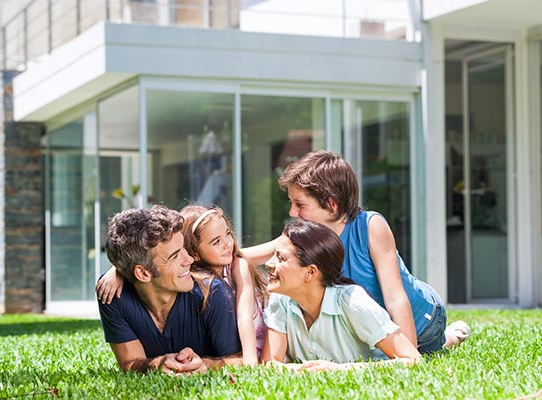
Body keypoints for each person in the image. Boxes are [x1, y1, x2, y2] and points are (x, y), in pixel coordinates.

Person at [244, 150, 470, 353]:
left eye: (300, 204)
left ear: (331, 204)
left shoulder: (370, 226)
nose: (293, 212)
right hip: (376, 326)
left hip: (423, 320)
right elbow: (253, 254)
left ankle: (449, 336)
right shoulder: (307, 237)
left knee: (424, 349)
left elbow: (395, 298)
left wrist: (408, 352)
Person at [97, 205, 269, 365]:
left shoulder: (213, 290)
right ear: (142, 273)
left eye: (184, 248)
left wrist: (206, 366)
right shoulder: (111, 293)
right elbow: (130, 363)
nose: (189, 260)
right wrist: (158, 364)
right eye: (174, 256)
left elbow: (241, 361)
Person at [261, 220, 421, 371]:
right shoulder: (281, 299)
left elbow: (413, 360)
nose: (269, 263)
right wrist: (300, 370)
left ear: (310, 272)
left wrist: (339, 369)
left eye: (280, 258)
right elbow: (270, 363)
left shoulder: (353, 302)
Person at [180, 205, 269, 365]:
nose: (227, 244)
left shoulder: (238, 266)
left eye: (227, 233)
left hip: (254, 347)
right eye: (216, 242)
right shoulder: (194, 280)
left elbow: (244, 315)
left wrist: (250, 361)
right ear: (195, 254)